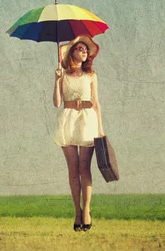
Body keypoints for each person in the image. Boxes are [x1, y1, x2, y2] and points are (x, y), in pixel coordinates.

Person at [53, 34, 105, 232]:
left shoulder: (91, 75)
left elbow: (96, 102)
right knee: (72, 169)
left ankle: (87, 211)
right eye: (80, 49)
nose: (84, 52)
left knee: (85, 168)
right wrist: (57, 81)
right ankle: (77, 210)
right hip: (68, 119)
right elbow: (57, 103)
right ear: (72, 53)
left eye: (86, 50)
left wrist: (100, 129)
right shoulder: (63, 75)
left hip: (87, 119)